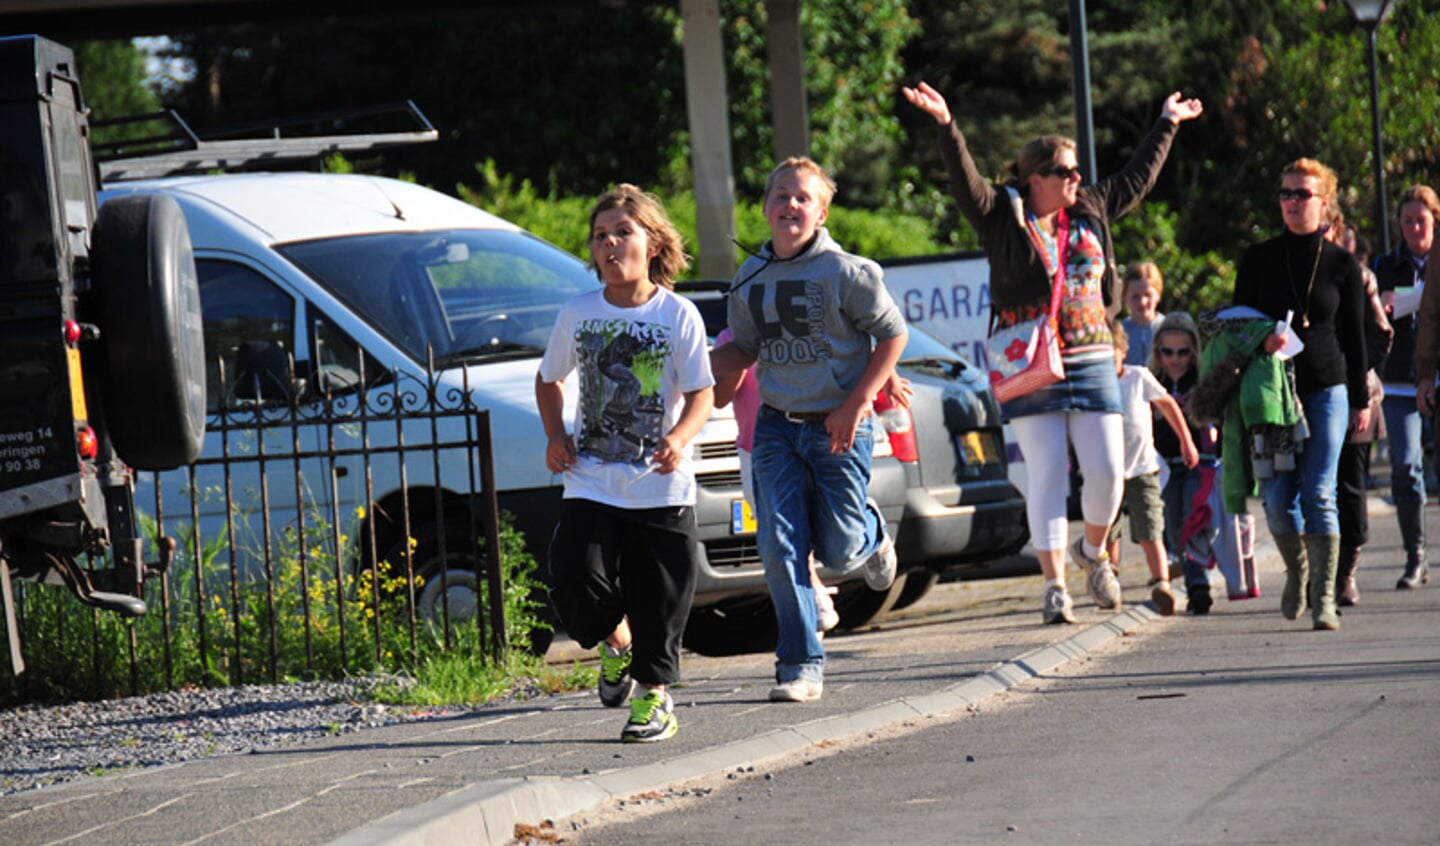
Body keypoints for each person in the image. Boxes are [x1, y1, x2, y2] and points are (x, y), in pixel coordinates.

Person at [902, 79, 1204, 624]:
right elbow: (966, 185)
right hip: (1029, 361)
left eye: (1076, 171)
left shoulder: (1090, 206)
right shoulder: (1003, 216)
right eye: (1064, 171)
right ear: (1034, 178)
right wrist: (948, 126)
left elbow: (1138, 177)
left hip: (1091, 356)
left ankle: (1090, 551)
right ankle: (1054, 587)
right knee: (1045, 473)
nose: (1076, 179)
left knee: (1109, 472)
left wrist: (1167, 122)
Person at [710, 156, 906, 704]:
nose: (790, 204)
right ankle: (800, 665)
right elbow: (745, 349)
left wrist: (858, 401)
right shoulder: (749, 278)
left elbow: (893, 337)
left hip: (838, 426)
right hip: (775, 429)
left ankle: (871, 532)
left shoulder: (848, 272)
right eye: (780, 196)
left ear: (821, 212)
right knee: (779, 547)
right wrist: (700, 368)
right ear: (765, 208)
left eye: (802, 197)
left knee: (842, 554)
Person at [535, 184, 715, 742]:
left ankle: (654, 699)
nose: (610, 245)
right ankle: (619, 643)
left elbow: (702, 393)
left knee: (658, 599)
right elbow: (548, 381)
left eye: (623, 233)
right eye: (600, 236)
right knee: (573, 578)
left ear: (653, 243)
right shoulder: (578, 313)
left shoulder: (678, 315)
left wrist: (680, 438)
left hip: (659, 486)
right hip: (590, 478)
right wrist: (554, 436)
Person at [1233, 158, 1368, 630]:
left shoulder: (1341, 263)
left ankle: (1325, 597)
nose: (1292, 202)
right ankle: (1297, 572)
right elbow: (1234, 325)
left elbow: (1355, 336)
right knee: (1276, 499)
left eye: (1302, 194)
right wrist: (1259, 337)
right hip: (1271, 395)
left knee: (1319, 492)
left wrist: (1360, 400)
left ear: (1324, 203)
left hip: (1326, 387)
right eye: (1286, 193)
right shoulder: (1258, 258)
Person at [712, 327, 842, 635]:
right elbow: (719, 398)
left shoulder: (800, 328)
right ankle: (810, 609)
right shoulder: (731, 338)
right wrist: (739, 358)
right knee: (781, 533)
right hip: (755, 450)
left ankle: (813, 598)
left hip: (807, 441)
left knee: (805, 529)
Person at [1106, 319, 1198, 616]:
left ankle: (1162, 584)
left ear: (1123, 350)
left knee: (1150, 531)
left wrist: (1187, 441)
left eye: (1111, 352)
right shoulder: (1096, 384)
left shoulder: (1138, 377)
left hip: (1142, 469)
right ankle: (1110, 583)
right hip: (1106, 473)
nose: (1107, 360)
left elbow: (1168, 404)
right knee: (1110, 532)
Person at [1372, 185, 1437, 590]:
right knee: (1406, 466)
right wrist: (1381, 303)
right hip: (1398, 380)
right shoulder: (1386, 264)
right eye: (1408, 221)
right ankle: (1416, 556)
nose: (1414, 228)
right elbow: (1370, 313)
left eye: (1422, 220)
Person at [1329, 218, 1392, 606]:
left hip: (1356, 396)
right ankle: (1318, 571)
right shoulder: (1297, 274)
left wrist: (1360, 384)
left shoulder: (1361, 277)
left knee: (1350, 487)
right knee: (1313, 488)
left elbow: (1381, 333)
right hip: (1309, 395)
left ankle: (1345, 573)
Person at [1147, 313, 1213, 603]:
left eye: (1183, 352)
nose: (1175, 359)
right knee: (1173, 529)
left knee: (1192, 521)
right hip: (1164, 467)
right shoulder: (1151, 381)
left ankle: (1198, 584)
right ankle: (1189, 575)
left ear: (1193, 351)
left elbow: (1215, 419)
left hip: (1195, 466)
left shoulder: (1201, 380)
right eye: (1168, 352)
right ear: (1158, 352)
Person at [1121, 262, 1166, 367]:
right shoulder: (1121, 331)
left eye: (1148, 295)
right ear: (1124, 297)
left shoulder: (1167, 327)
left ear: (1158, 295)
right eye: (1135, 296)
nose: (1142, 302)